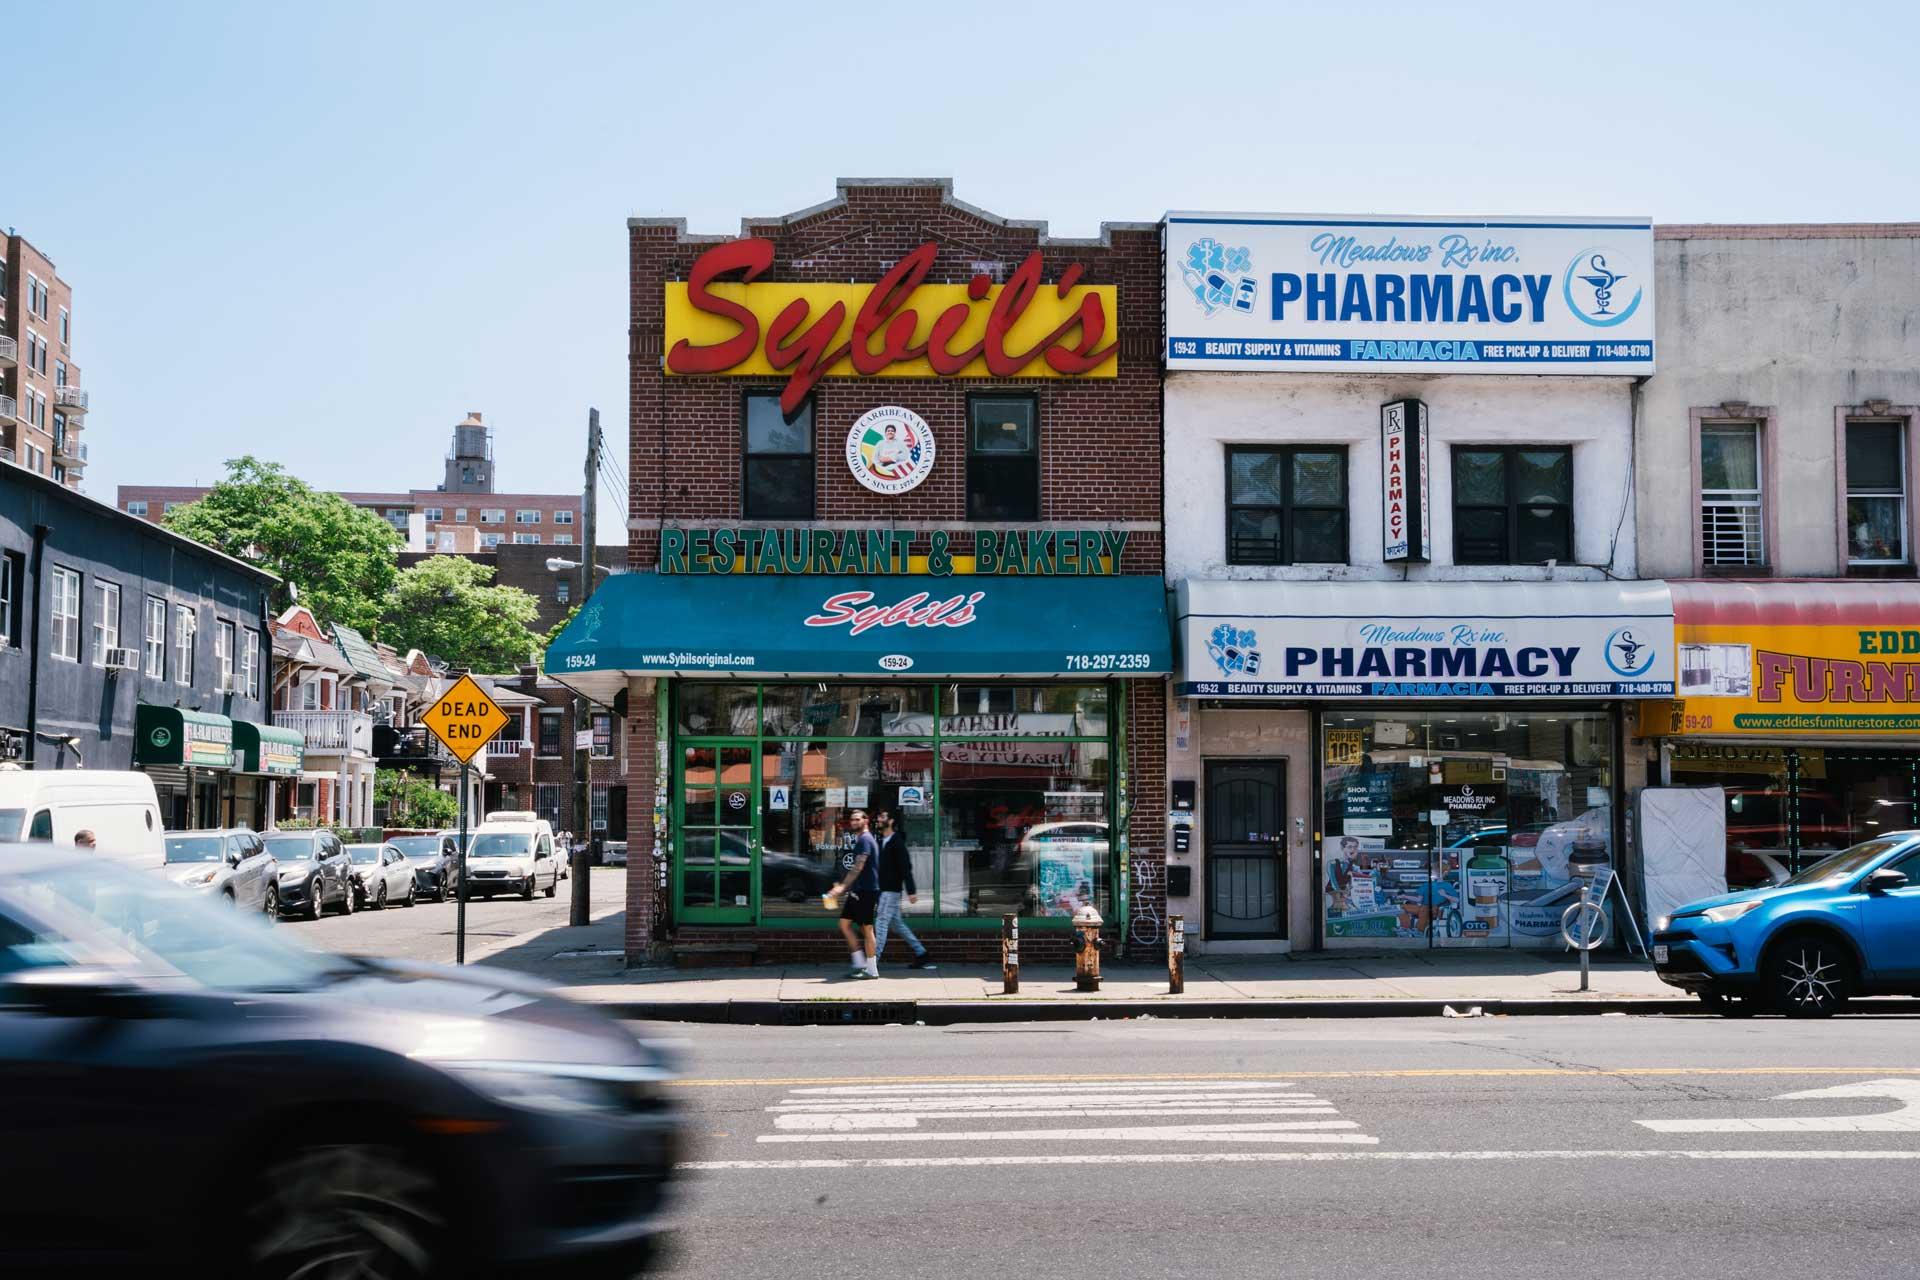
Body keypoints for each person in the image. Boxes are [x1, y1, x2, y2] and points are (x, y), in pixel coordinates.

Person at [872, 810, 936, 971]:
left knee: (880, 923)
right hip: (883, 890)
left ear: (891, 821)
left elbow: (905, 867)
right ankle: (922, 954)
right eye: (879, 817)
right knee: (897, 924)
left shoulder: (896, 841)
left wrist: (911, 890)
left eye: (882, 817)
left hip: (891, 890)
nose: (879, 819)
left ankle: (872, 963)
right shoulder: (881, 841)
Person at [825, 809, 880, 979]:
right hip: (858, 890)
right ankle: (859, 963)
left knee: (867, 929)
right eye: (852, 820)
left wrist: (842, 887)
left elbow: (858, 866)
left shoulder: (865, 839)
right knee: (844, 924)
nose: (854, 822)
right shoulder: (862, 839)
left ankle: (872, 970)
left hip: (866, 891)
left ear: (866, 820)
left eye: (858, 819)